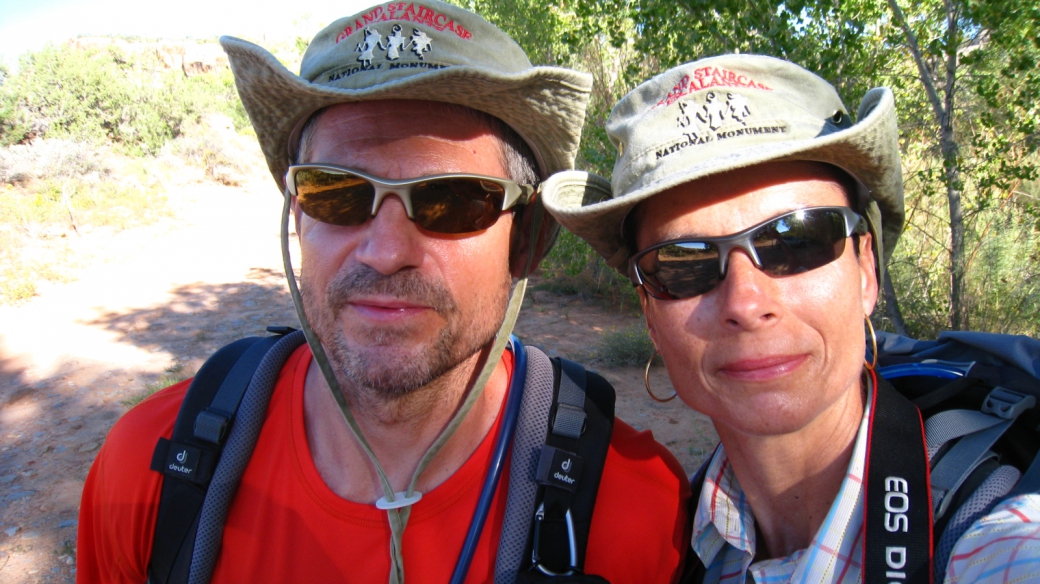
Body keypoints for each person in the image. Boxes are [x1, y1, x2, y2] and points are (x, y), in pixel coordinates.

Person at [76, 2, 691, 583]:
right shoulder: (147, 472)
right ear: (298, 216)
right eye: (336, 192)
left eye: (451, 201)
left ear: (526, 239)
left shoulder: (636, 510)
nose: (385, 250)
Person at [542, 54, 1040, 583]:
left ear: (866, 270)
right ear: (650, 316)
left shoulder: (996, 532)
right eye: (683, 265)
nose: (746, 303)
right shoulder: (685, 538)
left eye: (795, 241)